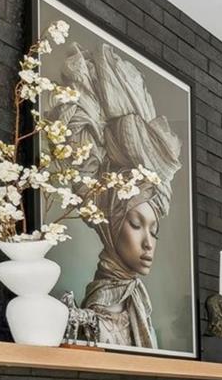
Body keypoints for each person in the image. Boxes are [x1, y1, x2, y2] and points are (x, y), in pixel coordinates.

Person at [56, 40, 182, 350]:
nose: (148, 242)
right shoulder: (97, 311)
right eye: (137, 224)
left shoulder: (136, 300)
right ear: (111, 226)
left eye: (154, 230)